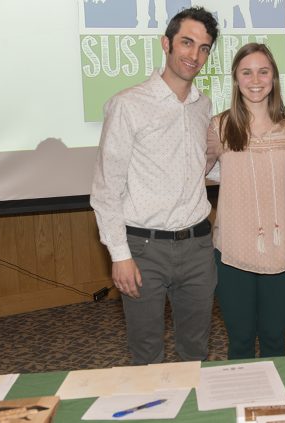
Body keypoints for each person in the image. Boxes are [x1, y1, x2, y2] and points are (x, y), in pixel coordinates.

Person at [90, 7, 219, 365]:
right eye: (187, 43)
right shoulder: (128, 105)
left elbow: (199, 166)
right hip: (143, 249)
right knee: (146, 356)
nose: (194, 55)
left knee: (196, 352)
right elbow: (106, 189)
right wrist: (120, 255)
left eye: (204, 48)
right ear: (166, 43)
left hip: (197, 248)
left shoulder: (203, 106)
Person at [206, 43, 285, 359]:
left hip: (281, 251)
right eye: (246, 72)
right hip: (233, 253)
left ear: (274, 77)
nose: (255, 79)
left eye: (263, 71)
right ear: (235, 78)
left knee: (275, 340)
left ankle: (277, 407)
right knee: (241, 341)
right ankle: (240, 406)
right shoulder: (219, 127)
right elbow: (191, 176)